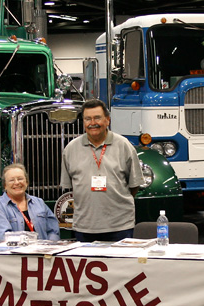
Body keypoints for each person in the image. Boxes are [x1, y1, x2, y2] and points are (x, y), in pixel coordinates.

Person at [60, 98, 144, 242]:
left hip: (120, 226)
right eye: (88, 119)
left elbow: (134, 185)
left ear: (107, 120)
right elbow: (69, 187)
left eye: (97, 118)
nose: (92, 123)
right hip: (84, 227)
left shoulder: (124, 145)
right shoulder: (71, 149)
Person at [0, 163, 60, 241]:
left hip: (43, 248)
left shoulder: (39, 203)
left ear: (26, 182)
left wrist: (50, 245)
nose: (17, 183)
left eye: (20, 179)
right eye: (11, 180)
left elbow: (53, 231)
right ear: (5, 185)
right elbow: (2, 238)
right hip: (15, 248)